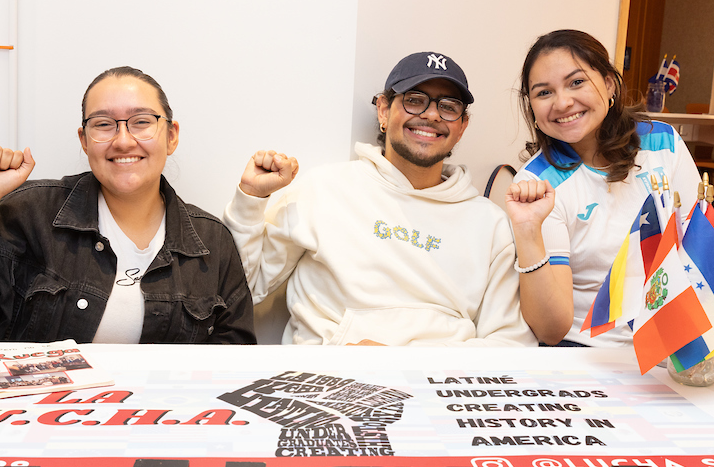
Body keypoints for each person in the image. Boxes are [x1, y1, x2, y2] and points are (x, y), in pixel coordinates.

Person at [0, 66, 256, 344]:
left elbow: (233, 357)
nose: (122, 140)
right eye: (103, 125)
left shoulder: (212, 241)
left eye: (141, 122)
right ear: (85, 140)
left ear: (171, 135)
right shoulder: (30, 212)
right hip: (35, 416)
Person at [223, 51, 535, 347]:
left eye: (448, 106)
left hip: (435, 388)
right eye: (414, 101)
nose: (430, 115)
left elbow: (508, 344)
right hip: (327, 382)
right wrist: (250, 199)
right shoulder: (323, 189)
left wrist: (406, 360)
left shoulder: (491, 224)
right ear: (384, 110)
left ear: (462, 126)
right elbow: (239, 289)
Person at [507, 30, 701, 347]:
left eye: (576, 82)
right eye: (544, 93)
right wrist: (528, 232)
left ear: (609, 84)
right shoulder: (538, 185)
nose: (563, 102)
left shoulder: (663, 143)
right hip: (588, 350)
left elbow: (698, 246)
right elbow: (551, 330)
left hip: (673, 341)